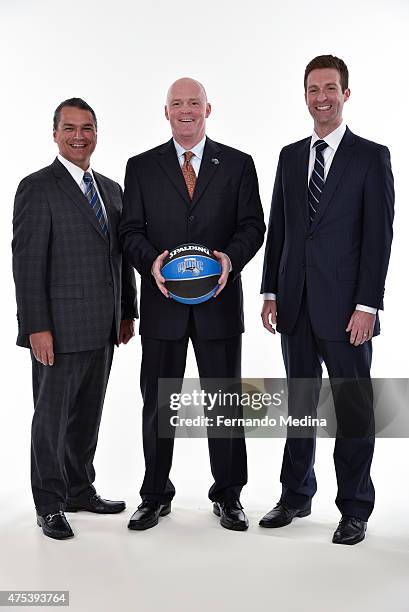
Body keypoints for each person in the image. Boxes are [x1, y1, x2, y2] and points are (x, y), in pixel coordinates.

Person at [120, 77, 265, 531]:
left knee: (223, 403)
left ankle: (229, 495)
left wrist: (229, 259)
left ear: (209, 109)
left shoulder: (239, 165)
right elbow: (129, 233)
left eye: (194, 102)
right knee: (159, 405)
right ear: (166, 112)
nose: (186, 109)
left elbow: (252, 227)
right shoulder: (141, 167)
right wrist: (152, 264)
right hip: (164, 306)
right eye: (177, 103)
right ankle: (155, 494)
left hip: (218, 304)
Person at [260, 55, 394, 545]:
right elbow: (281, 229)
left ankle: (355, 507)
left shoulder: (370, 156)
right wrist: (270, 289)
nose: (322, 97)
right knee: (300, 403)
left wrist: (367, 305)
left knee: (352, 407)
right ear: (305, 96)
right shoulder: (290, 157)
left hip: (346, 311)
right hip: (293, 303)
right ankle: (295, 495)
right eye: (314, 89)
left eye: (330, 88)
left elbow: (379, 239)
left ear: (346, 94)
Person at [12, 98, 138, 540]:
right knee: (51, 418)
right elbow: (26, 265)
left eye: (87, 128)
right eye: (70, 128)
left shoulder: (111, 189)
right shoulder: (37, 187)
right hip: (58, 330)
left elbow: (119, 257)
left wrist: (127, 312)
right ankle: (49, 503)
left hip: (103, 327)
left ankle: (80, 489)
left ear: (96, 134)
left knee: (88, 414)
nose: (79, 136)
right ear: (55, 134)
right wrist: (35, 327)